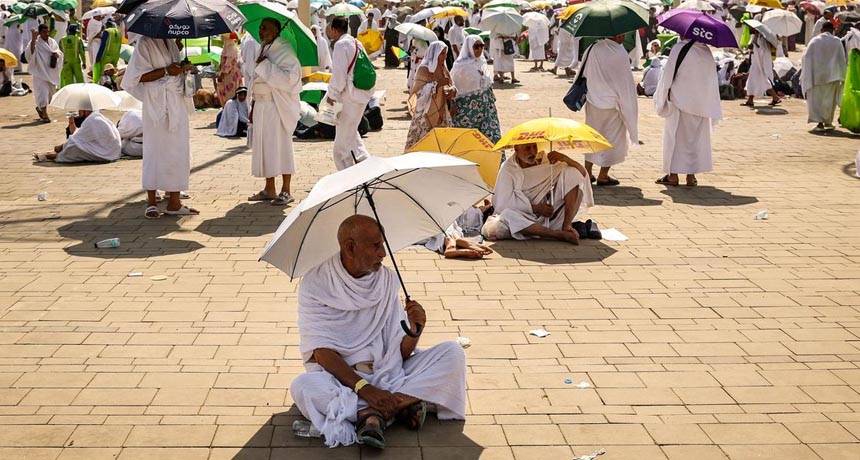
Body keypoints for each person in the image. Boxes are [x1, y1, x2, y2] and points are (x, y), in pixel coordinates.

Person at [290, 214, 467, 449]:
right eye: (375, 246)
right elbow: (321, 353)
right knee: (304, 386)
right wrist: (365, 389)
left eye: (383, 245)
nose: (383, 253)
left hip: (388, 371)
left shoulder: (385, 280)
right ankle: (397, 406)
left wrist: (415, 331)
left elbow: (399, 354)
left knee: (452, 353)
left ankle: (374, 414)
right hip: (340, 379)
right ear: (350, 248)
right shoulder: (316, 284)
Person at [122, 36, 198, 219]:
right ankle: (152, 202)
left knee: (177, 151)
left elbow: (174, 70)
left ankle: (174, 201)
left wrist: (182, 64)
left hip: (176, 103)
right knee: (154, 151)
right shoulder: (144, 42)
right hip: (156, 105)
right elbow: (135, 77)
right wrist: (166, 71)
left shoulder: (171, 42)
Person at [491, 143, 594, 243]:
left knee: (572, 172)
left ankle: (566, 226)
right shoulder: (508, 168)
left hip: (550, 217)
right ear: (516, 149)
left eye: (534, 147)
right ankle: (557, 235)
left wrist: (565, 159)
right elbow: (503, 204)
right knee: (507, 215)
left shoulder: (546, 161)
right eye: (527, 148)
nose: (532, 152)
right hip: (524, 218)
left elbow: (582, 174)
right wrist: (537, 209)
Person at [654, 38, 722, 187]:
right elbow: (710, 80)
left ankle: (673, 176)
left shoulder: (679, 48)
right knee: (695, 140)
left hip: (680, 102)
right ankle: (691, 176)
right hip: (701, 105)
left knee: (675, 139)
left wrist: (661, 97)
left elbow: (668, 75)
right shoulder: (706, 51)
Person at [247, 18, 302, 206]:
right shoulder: (264, 48)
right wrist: (253, 106)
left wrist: (265, 66)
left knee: (281, 147)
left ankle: (286, 190)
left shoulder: (285, 49)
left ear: (277, 30)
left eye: (266, 28)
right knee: (265, 147)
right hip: (261, 105)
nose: (261, 32)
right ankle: (269, 187)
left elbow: (291, 79)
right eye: (260, 28)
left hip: (277, 106)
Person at [581, 35, 638, 186]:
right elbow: (624, 81)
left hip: (594, 100)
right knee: (613, 139)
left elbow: (584, 72)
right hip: (613, 104)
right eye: (621, 34)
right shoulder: (619, 52)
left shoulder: (593, 48)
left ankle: (587, 171)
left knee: (592, 135)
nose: (623, 37)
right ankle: (603, 175)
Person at [325, 17, 374, 171]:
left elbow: (339, 77)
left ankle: (347, 178)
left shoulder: (340, 45)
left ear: (334, 29)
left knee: (341, 147)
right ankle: (368, 167)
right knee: (352, 137)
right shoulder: (356, 42)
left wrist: (331, 96)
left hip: (348, 98)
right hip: (361, 95)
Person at [449, 35, 502, 143]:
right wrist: (452, 104)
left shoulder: (482, 62)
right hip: (467, 110)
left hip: (487, 109)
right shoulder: (460, 66)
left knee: (491, 137)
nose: (479, 49)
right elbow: (453, 86)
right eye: (476, 46)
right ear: (468, 47)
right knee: (468, 140)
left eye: (482, 46)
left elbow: (487, 82)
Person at [405, 42, 455, 149]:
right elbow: (418, 91)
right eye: (442, 54)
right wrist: (437, 85)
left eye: (445, 54)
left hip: (441, 110)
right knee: (423, 140)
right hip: (425, 112)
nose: (444, 57)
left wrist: (452, 90)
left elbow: (451, 84)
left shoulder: (444, 69)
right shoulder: (423, 69)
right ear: (435, 54)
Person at [802, 22, 847, 132]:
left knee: (816, 100)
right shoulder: (837, 42)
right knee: (829, 101)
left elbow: (806, 59)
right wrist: (842, 76)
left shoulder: (814, 41)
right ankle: (828, 121)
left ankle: (820, 123)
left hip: (816, 76)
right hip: (832, 76)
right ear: (833, 30)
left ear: (822, 29)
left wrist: (807, 75)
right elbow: (842, 60)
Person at [33, 109, 121, 163]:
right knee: (73, 143)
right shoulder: (96, 117)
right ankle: (52, 153)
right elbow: (79, 134)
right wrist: (71, 122)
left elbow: (77, 138)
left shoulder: (92, 119)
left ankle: (51, 155)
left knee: (73, 146)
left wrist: (61, 147)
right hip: (110, 151)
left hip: (107, 153)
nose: (79, 111)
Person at [26, 24, 63, 123]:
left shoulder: (52, 41)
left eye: (47, 32)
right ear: (40, 32)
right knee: (42, 93)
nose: (46, 34)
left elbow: (59, 52)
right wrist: (33, 38)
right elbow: (30, 54)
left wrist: (56, 54)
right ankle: (45, 114)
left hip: (51, 73)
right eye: (44, 32)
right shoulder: (35, 42)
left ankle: (40, 109)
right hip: (40, 73)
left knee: (51, 96)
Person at [742, 30, 781, 107]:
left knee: (763, 81)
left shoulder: (763, 39)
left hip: (761, 64)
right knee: (752, 81)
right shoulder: (756, 37)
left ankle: (775, 97)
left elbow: (763, 51)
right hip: (756, 63)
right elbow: (752, 47)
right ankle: (750, 99)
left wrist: (756, 45)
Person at [216, 34, 243, 106]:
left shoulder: (231, 49)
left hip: (230, 75)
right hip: (228, 75)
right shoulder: (226, 49)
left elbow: (228, 65)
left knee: (230, 94)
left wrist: (221, 74)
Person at [93, 19, 120, 83]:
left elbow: (103, 45)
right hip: (115, 56)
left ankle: (105, 87)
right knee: (113, 73)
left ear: (108, 25)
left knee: (104, 73)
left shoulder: (107, 31)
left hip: (106, 56)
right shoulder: (119, 32)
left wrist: (98, 57)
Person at [239, 30, 261, 94]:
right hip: (253, 76)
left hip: (253, 74)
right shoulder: (251, 41)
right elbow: (250, 64)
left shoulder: (250, 38)